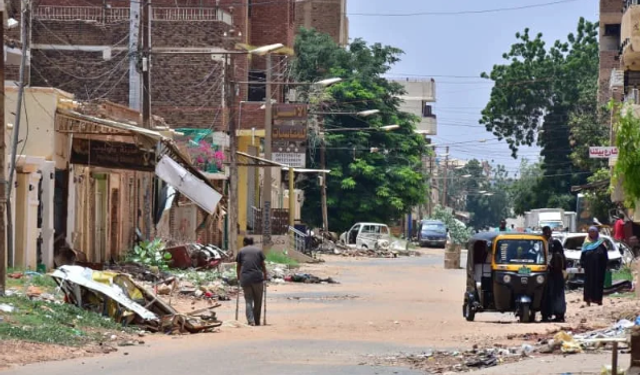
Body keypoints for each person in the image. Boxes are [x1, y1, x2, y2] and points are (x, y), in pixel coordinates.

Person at [236, 237, 268, 326]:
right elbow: (263, 265)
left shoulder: (241, 251)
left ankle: (251, 321)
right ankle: (257, 320)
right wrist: (265, 275)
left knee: (248, 300)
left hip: (245, 278)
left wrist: (238, 277)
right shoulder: (259, 251)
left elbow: (238, 266)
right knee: (258, 300)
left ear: (245, 242)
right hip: (257, 278)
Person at [541, 226, 566, 322]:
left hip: (556, 272)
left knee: (558, 294)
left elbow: (562, 258)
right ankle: (546, 315)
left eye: (549, 232)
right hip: (544, 272)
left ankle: (559, 315)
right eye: (546, 232)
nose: (547, 234)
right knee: (546, 294)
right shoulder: (540, 243)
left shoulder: (555, 243)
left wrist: (563, 269)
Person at [580, 226, 609, 306]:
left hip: (599, 268)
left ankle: (598, 300)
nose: (592, 233)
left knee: (598, 283)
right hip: (589, 269)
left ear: (597, 233)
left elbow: (605, 256)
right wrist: (581, 264)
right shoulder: (586, 243)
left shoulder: (601, 243)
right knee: (588, 284)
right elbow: (582, 256)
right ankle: (588, 300)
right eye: (591, 231)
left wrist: (606, 265)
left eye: (594, 231)